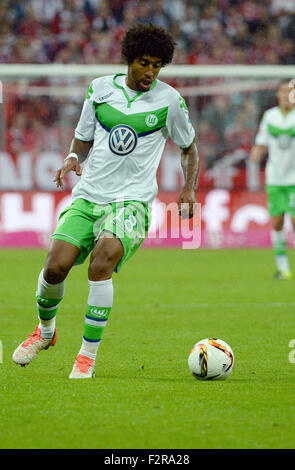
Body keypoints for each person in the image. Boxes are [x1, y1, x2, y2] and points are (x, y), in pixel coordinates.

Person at [13, 23, 199, 378]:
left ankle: (86, 358)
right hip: (89, 195)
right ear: (129, 59)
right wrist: (72, 158)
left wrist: (188, 187)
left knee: (103, 261)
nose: (150, 72)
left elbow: (189, 147)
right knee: (55, 266)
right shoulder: (100, 90)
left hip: (132, 201)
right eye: (144, 63)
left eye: (158, 65)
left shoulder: (169, 101)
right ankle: (46, 332)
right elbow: (83, 138)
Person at [249, 79, 295, 280]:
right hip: (275, 178)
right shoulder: (270, 117)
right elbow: (261, 142)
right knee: (277, 222)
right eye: (283, 91)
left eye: (290, 91)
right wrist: (256, 153)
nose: (286, 95)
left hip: (294, 179)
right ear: (277, 94)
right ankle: (283, 268)